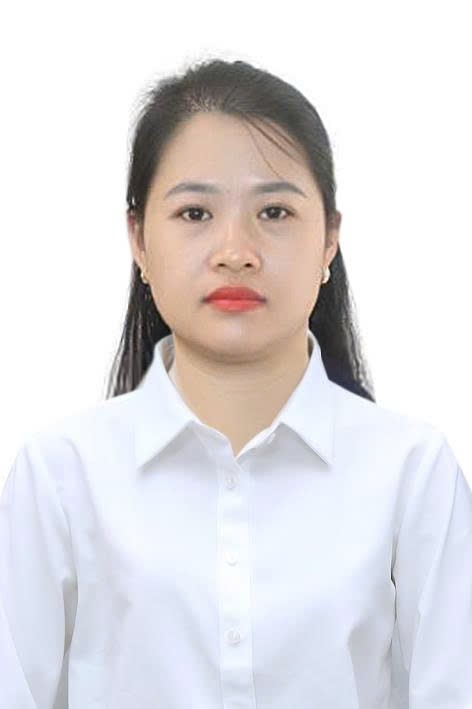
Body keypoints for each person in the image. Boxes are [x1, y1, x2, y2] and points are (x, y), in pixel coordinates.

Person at [1, 57, 471, 708]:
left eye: (274, 211)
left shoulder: (412, 474)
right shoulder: (60, 476)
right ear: (138, 239)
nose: (235, 251)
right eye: (195, 213)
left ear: (329, 239)